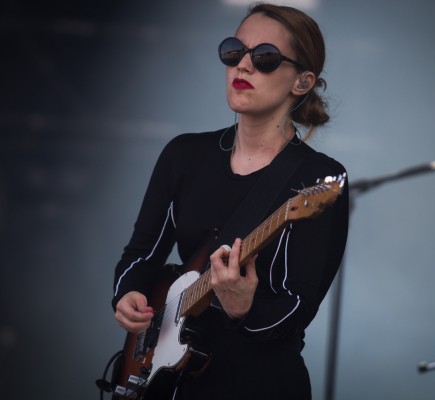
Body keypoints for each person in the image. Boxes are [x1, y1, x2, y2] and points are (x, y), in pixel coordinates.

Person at [112, 3, 349, 400]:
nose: (243, 65)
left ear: (303, 82)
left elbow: (296, 310)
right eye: (233, 51)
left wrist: (244, 308)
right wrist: (126, 295)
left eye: (265, 58)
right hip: (168, 382)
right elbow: (140, 254)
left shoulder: (316, 180)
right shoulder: (184, 155)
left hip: (258, 384)